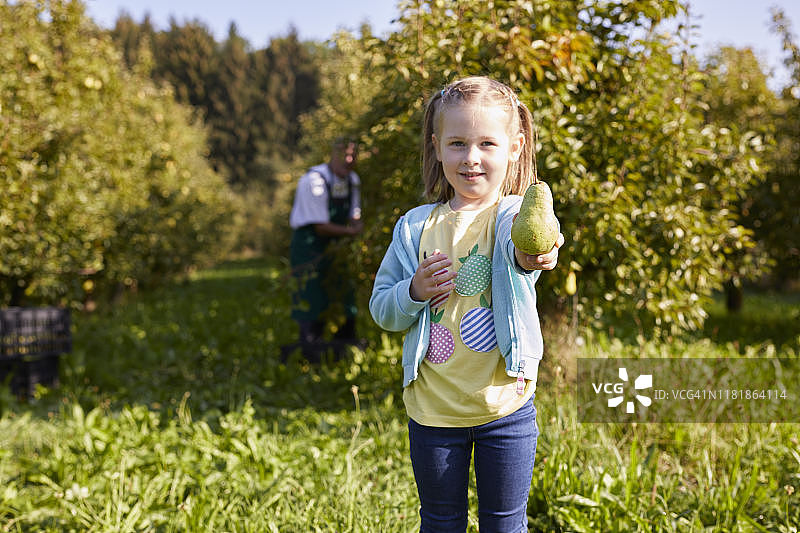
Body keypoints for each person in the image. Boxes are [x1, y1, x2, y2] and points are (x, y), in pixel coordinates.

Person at [369, 76, 565, 532]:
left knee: (505, 524)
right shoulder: (414, 228)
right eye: (457, 143)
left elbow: (528, 251)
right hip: (434, 412)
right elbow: (382, 309)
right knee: (441, 522)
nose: (471, 157)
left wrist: (539, 254)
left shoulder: (512, 216)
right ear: (437, 147)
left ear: (514, 148)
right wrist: (413, 291)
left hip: (505, 408)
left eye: (486, 144)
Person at [286, 138, 363, 362]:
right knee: (311, 293)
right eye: (344, 154)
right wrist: (351, 232)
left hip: (337, 246)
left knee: (344, 289)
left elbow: (354, 214)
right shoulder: (314, 181)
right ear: (333, 154)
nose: (348, 160)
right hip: (309, 245)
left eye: (353, 155)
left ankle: (344, 344)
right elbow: (320, 226)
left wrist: (357, 224)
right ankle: (311, 348)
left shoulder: (352, 180)